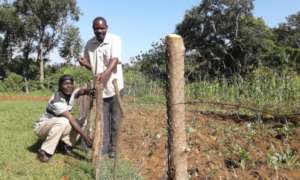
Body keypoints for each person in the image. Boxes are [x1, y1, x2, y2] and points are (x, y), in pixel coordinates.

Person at [79, 16, 124, 158]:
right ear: (93, 29)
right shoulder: (89, 44)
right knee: (102, 120)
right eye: (97, 29)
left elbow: (114, 59)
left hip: (115, 86)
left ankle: (114, 149)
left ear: (107, 27)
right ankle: (104, 147)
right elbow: (89, 64)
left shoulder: (114, 40)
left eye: (102, 28)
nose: (99, 31)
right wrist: (83, 63)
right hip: (100, 90)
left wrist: (105, 75)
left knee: (115, 119)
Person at [33, 75, 93, 163]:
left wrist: (90, 91)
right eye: (65, 84)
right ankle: (44, 151)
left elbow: (81, 91)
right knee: (64, 121)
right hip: (42, 128)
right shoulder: (57, 99)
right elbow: (71, 119)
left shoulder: (71, 93)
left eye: (70, 84)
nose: (68, 86)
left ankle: (66, 145)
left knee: (83, 121)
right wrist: (85, 137)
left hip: (56, 126)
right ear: (60, 86)